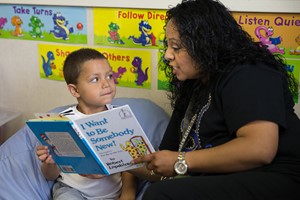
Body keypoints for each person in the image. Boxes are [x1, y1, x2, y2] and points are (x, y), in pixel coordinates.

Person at [130, 0, 300, 199]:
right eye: (168, 46)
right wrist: (112, 164)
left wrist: (182, 160)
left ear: (205, 44)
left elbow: (260, 149)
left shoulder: (250, 72)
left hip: (278, 177)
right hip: (226, 178)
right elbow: (165, 166)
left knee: (160, 194)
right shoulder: (192, 86)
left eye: (176, 47)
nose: (167, 55)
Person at [36, 48, 137, 200]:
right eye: (95, 79)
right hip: (72, 191)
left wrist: (127, 194)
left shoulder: (121, 118)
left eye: (109, 76)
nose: (106, 84)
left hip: (112, 195)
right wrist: (50, 163)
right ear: (75, 90)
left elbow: (131, 166)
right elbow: (50, 176)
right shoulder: (63, 122)